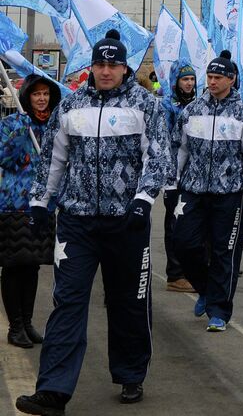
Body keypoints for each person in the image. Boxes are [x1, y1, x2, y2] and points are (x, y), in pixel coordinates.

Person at [16, 30, 171, 415]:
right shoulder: (70, 106)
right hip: (77, 223)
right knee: (67, 302)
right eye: (99, 65)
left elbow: (160, 158)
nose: (105, 71)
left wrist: (142, 200)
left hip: (127, 224)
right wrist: (40, 201)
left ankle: (130, 372)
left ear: (123, 67)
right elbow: (54, 158)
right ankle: (52, 390)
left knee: (128, 301)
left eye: (112, 65)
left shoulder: (145, 105)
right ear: (92, 67)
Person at [171, 50, 243, 333]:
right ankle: (204, 288)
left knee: (225, 251)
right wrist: (171, 184)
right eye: (209, 77)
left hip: (230, 193)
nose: (211, 82)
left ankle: (219, 310)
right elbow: (179, 149)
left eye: (217, 78)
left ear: (231, 79)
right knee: (184, 244)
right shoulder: (192, 111)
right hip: (194, 189)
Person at [0, 76, 61, 348]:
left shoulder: (54, 127)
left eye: (46, 94)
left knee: (33, 266)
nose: (41, 98)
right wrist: (20, 130)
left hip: (43, 205)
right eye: (36, 94)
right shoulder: (12, 124)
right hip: (14, 205)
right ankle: (15, 327)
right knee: (15, 265)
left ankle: (27, 322)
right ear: (26, 97)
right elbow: (4, 157)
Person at [159, 63, 197, 292]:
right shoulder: (167, 106)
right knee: (174, 223)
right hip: (173, 173)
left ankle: (189, 269)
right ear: (176, 82)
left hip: (194, 173)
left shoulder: (197, 104)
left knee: (191, 224)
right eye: (185, 79)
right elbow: (163, 141)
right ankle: (174, 273)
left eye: (192, 79)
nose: (189, 83)